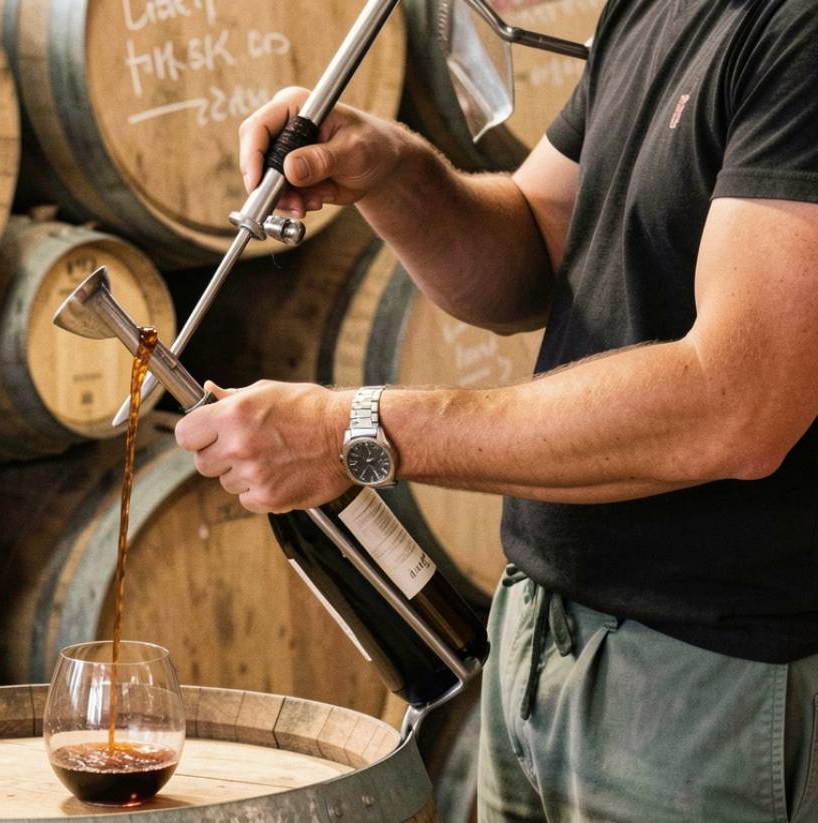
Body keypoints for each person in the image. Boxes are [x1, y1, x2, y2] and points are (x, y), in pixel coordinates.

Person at [171, 0, 818, 820]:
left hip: (708, 684)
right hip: (542, 639)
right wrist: (393, 170)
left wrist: (356, 432)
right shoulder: (653, 9)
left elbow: (739, 403)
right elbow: (538, 247)